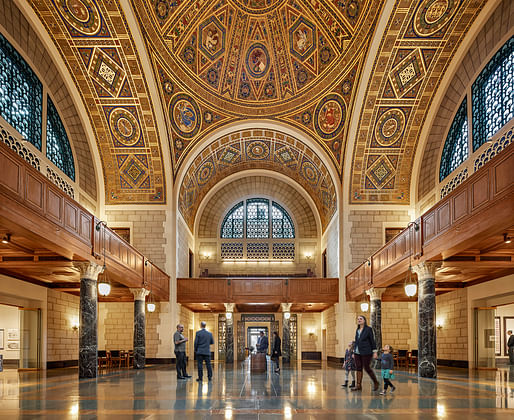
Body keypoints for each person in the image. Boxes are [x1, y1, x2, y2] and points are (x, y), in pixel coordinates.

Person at [352, 315, 380, 392]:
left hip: (366, 352)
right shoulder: (357, 330)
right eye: (358, 319)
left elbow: (372, 341)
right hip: (357, 352)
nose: (359, 320)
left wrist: (375, 352)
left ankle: (376, 382)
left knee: (367, 368)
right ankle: (358, 385)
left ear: (364, 320)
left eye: (361, 319)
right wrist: (354, 351)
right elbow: (356, 341)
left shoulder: (368, 329)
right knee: (358, 367)